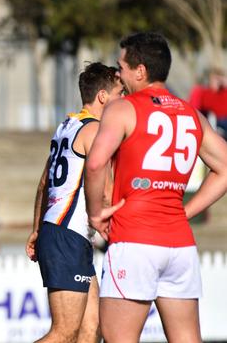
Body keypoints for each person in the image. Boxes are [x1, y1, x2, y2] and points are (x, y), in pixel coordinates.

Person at [84, 32, 227, 343]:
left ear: (141, 71)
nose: (118, 75)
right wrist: (185, 211)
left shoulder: (123, 109)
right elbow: (225, 168)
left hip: (134, 241)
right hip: (180, 245)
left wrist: (95, 214)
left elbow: (94, 164)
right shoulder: (192, 113)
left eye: (121, 67)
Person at [26, 62, 124, 343]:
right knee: (64, 333)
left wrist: (37, 228)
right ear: (103, 97)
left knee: (91, 328)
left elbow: (45, 183)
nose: (123, 100)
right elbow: (106, 191)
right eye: (120, 93)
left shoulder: (66, 126)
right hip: (67, 236)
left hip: (63, 233)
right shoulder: (96, 131)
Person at [188, 67, 227, 138]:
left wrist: (224, 82)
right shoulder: (203, 92)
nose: (217, 82)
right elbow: (194, 107)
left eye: (219, 79)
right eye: (215, 79)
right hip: (211, 121)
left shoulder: (224, 92)